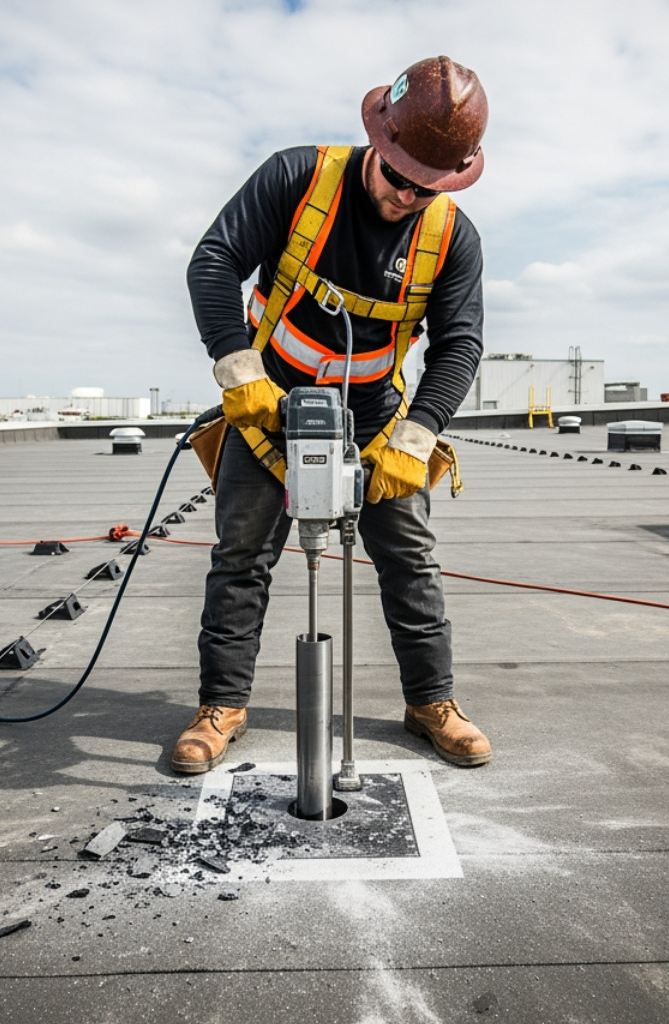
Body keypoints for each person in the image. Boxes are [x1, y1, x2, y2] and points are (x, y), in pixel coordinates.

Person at [174, 55, 490, 773]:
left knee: (411, 563)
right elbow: (214, 261)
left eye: (426, 187)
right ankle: (221, 705)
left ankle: (431, 702)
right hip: (268, 413)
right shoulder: (297, 179)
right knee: (240, 561)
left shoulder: (452, 237)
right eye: (398, 176)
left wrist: (416, 437)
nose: (407, 195)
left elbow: (460, 344)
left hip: (376, 425)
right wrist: (238, 370)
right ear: (378, 139)